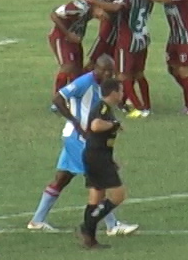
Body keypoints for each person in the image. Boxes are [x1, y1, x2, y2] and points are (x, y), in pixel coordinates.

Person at [28, 54, 138, 235]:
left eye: (112, 71)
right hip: (77, 138)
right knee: (99, 177)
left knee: (62, 177)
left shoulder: (103, 88)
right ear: (96, 68)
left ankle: (37, 220)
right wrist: (77, 124)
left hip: (78, 138)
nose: (109, 74)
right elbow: (58, 98)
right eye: (106, 71)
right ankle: (112, 225)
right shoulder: (84, 82)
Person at [86, 0, 152, 118]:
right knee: (139, 74)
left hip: (127, 40)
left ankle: (138, 108)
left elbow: (116, 8)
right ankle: (147, 105)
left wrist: (94, 1)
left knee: (122, 75)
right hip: (142, 38)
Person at [78, 78, 128, 249]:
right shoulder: (103, 107)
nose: (122, 94)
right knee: (118, 195)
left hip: (97, 156)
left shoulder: (106, 108)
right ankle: (88, 226)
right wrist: (114, 124)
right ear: (113, 92)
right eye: (120, 91)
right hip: (97, 158)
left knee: (96, 197)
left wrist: (111, 159)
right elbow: (95, 126)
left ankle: (90, 239)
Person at [85, 0, 135, 72]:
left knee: (117, 65)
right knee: (95, 61)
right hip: (108, 26)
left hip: (124, 28)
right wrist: (97, 9)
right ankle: (79, 86)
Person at [48, 0, 106, 94]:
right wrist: (68, 33)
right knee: (68, 66)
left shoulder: (90, 11)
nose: (102, 18)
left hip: (73, 39)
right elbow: (54, 15)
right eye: (103, 13)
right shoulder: (79, 7)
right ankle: (58, 97)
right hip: (61, 37)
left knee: (77, 70)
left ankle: (73, 94)